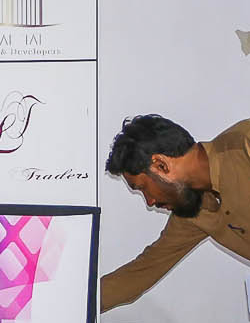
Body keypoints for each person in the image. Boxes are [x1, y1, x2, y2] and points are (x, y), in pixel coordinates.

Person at [101, 114, 250, 310]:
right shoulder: (195, 213)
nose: (150, 201)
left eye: (143, 188)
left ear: (161, 165)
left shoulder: (244, 144)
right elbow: (139, 274)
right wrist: (72, 303)